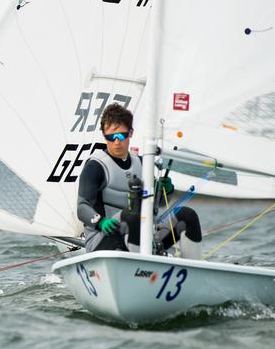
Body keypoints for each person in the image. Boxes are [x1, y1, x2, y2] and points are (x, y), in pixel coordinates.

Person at [77, 103, 202, 255]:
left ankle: (190, 270)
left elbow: (159, 203)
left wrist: (165, 190)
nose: (116, 142)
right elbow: (82, 207)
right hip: (103, 241)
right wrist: (100, 221)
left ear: (131, 133)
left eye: (121, 135)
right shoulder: (95, 167)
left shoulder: (142, 163)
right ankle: (142, 268)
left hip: (143, 237)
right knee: (133, 216)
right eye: (110, 137)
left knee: (187, 215)